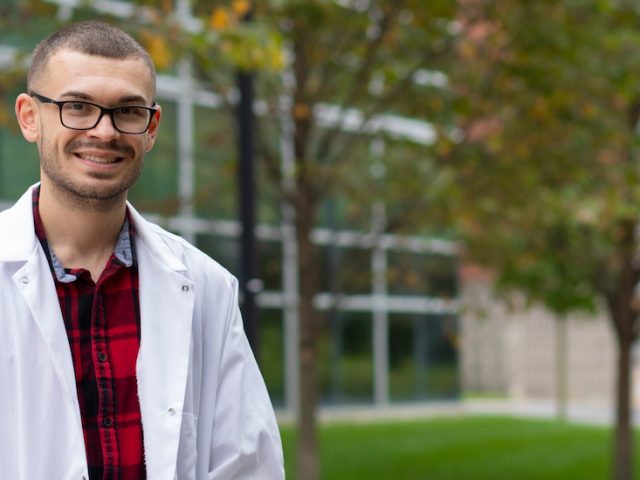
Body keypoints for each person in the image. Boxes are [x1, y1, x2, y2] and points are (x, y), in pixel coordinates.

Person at [1, 20, 284, 480]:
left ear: (151, 127)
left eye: (127, 112)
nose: (104, 131)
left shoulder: (206, 285)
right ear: (30, 117)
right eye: (77, 106)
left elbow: (248, 465)